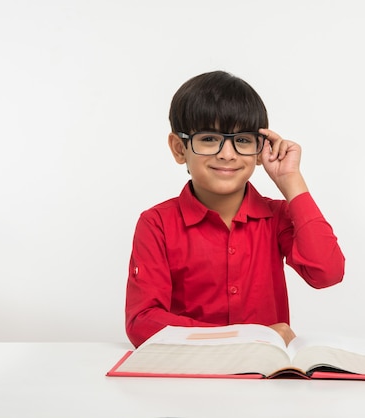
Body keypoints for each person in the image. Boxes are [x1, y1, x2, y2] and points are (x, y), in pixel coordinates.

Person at [125, 71, 345, 348]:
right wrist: (241, 338)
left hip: (265, 375)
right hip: (187, 376)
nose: (227, 154)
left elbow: (327, 273)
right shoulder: (157, 223)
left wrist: (291, 181)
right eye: (208, 139)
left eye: (242, 140)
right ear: (180, 149)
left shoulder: (277, 217)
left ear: (259, 150)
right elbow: (142, 322)